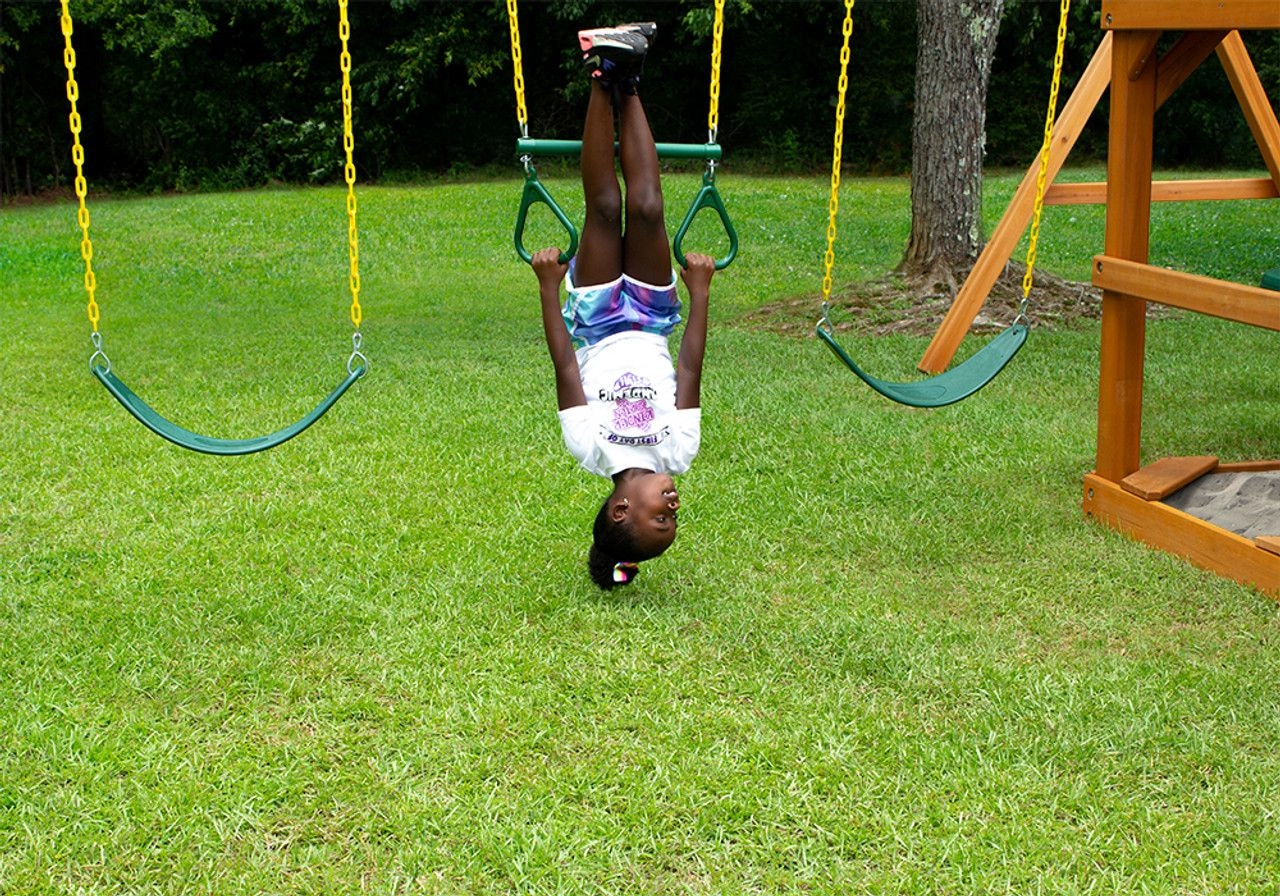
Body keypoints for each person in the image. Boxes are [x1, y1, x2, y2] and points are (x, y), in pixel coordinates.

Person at [531, 22, 716, 590]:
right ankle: (627, 76)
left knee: (607, 207)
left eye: (660, 516)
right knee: (651, 207)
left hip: (598, 321)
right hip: (653, 318)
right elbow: (688, 367)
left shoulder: (587, 446)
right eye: (673, 516)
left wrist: (546, 288)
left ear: (620, 510)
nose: (672, 503)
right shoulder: (679, 450)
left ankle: (598, 76)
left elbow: (566, 366)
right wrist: (701, 293)